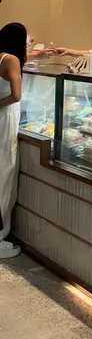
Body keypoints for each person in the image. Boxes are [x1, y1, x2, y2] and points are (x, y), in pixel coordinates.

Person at [0, 22, 27, 259]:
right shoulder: (12, 60)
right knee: (5, 172)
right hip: (5, 119)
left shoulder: (1, 57)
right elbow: (16, 96)